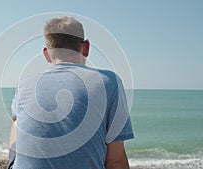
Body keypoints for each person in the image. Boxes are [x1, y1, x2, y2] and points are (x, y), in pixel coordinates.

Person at [8, 16, 134, 169]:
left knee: (17, 121)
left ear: (47, 54)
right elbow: (115, 161)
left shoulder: (24, 83)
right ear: (86, 47)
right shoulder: (109, 82)